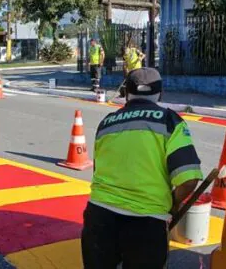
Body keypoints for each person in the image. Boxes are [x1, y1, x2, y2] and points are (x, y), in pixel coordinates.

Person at [81, 67, 203, 269]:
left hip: (99, 217)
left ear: (125, 93)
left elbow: (99, 170)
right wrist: (173, 203)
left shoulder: (107, 123)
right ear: (160, 93)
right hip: (146, 224)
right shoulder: (170, 122)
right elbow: (188, 178)